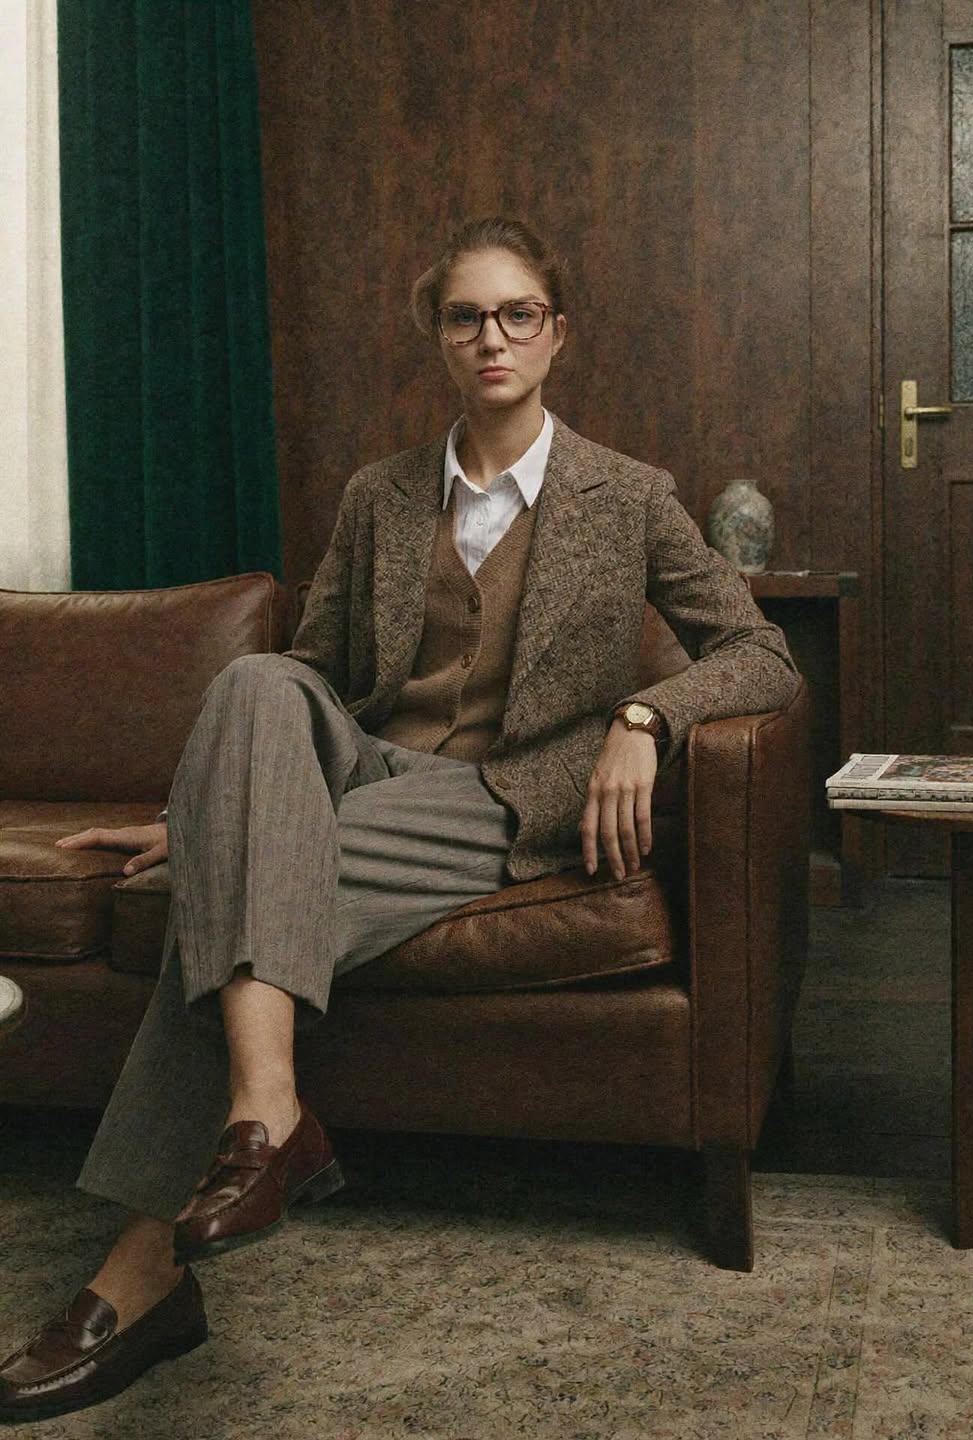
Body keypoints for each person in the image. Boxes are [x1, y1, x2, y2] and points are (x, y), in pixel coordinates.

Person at [0, 217, 799, 1422]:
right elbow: (312, 677)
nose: (493, 338)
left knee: (233, 895)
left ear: (557, 333)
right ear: (439, 337)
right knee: (256, 680)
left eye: (517, 314)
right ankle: (270, 1115)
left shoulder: (629, 497)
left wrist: (647, 715)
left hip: (497, 800)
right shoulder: (380, 494)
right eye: (466, 317)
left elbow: (760, 652)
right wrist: (203, 813)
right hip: (366, 768)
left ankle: (141, 1271)